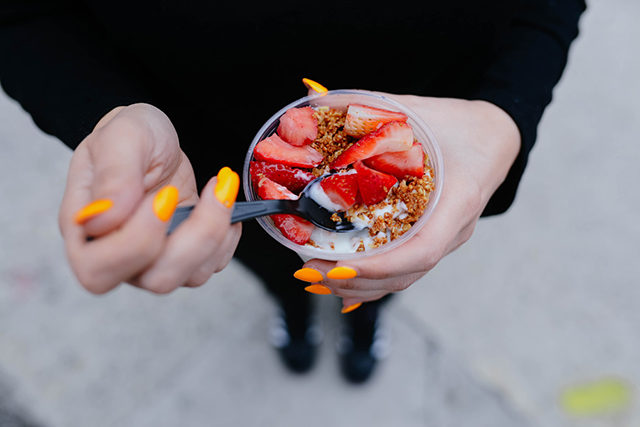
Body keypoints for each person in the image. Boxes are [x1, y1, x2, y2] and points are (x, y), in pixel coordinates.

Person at [0, 0, 585, 383]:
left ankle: (363, 320)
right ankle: (293, 311)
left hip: (436, 130)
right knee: (275, 262)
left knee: (379, 271)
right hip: (215, 163)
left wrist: (502, 115)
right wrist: (107, 111)